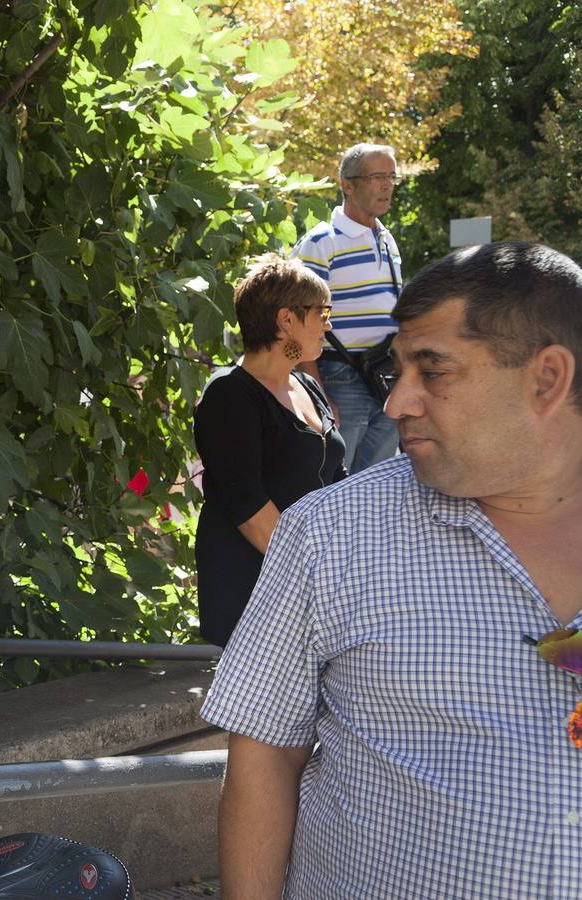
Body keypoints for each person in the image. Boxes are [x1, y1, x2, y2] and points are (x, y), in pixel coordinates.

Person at [202, 242, 582, 898]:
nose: (396, 401)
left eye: (430, 370)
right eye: (396, 368)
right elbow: (264, 754)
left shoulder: (308, 390)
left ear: (546, 379)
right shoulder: (327, 536)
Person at [193, 255, 346, 647]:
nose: (328, 324)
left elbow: (335, 479)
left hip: (311, 588)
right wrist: (319, 576)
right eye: (322, 312)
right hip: (255, 596)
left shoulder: (306, 386)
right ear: (287, 320)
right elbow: (249, 508)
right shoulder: (229, 394)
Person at [293, 142, 403, 473]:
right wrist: (318, 393)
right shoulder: (321, 242)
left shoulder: (388, 239)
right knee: (334, 480)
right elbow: (300, 319)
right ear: (347, 185)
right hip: (339, 377)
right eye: (377, 177)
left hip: (385, 377)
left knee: (376, 483)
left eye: (392, 177)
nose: (387, 185)